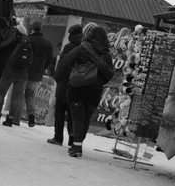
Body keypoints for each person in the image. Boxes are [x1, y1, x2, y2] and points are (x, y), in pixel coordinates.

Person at [54, 25, 115, 158]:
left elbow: (66, 59)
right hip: (95, 90)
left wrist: (78, 67)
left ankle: (77, 146)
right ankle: (78, 143)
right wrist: (98, 80)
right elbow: (110, 73)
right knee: (85, 118)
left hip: (77, 87)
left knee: (77, 117)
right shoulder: (106, 54)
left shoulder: (82, 48)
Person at [47, 24, 84, 145]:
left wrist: (57, 77)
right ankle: (72, 139)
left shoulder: (68, 47)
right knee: (73, 114)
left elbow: (62, 64)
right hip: (78, 85)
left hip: (65, 83)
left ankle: (58, 137)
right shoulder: (85, 47)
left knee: (60, 112)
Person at [0, 25, 32, 126]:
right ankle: (10, 119)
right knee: (15, 97)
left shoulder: (12, 41)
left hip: (9, 72)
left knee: (2, 94)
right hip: (23, 74)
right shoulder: (28, 44)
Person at [23, 20, 56, 127]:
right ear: (41, 29)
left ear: (32, 28)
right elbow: (49, 59)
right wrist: (43, 68)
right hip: (37, 73)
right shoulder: (47, 43)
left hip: (24, 71)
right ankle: (31, 115)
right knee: (31, 95)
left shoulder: (28, 40)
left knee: (19, 94)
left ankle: (14, 117)